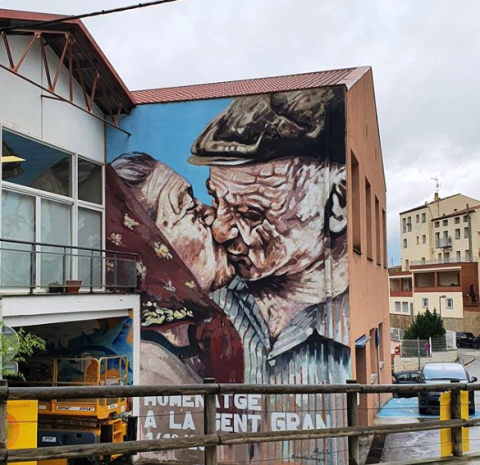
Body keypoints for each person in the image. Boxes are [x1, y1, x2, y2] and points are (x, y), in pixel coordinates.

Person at [189, 87, 350, 465]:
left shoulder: (349, 327)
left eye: (250, 214)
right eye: (217, 201)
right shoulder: (201, 298)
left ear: (338, 201)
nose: (221, 231)